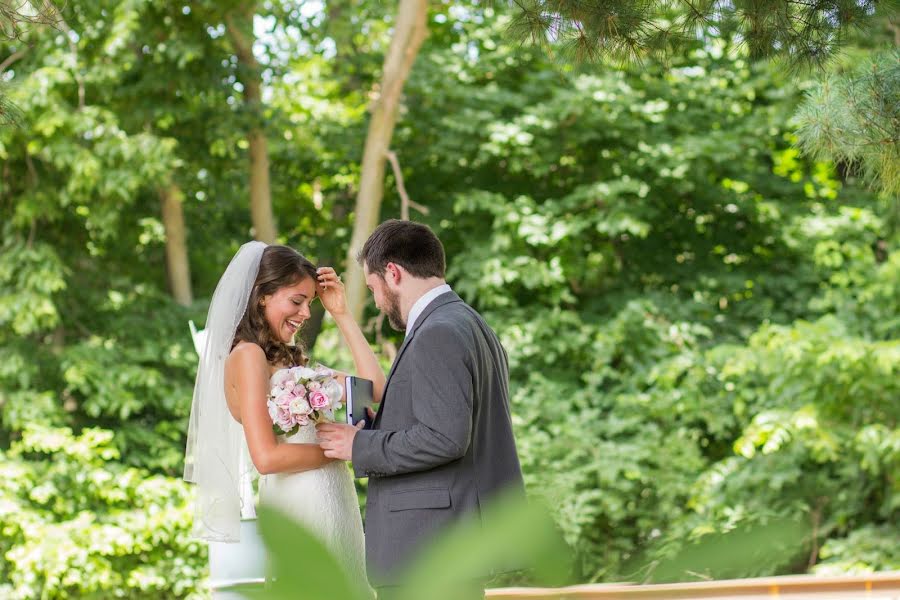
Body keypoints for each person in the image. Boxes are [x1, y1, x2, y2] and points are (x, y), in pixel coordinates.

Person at [316, 220, 525, 599]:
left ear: (392, 272)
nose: (378, 303)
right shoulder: (471, 325)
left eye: (374, 288)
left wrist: (358, 446)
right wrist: (377, 425)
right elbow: (444, 422)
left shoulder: (437, 332)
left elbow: (445, 437)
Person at [184, 242, 384, 595]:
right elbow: (267, 457)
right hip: (303, 506)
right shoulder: (247, 356)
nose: (307, 313)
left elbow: (373, 391)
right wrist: (344, 448)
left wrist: (342, 315)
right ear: (262, 297)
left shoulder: (291, 363)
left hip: (335, 502)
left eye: (311, 302)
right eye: (297, 301)